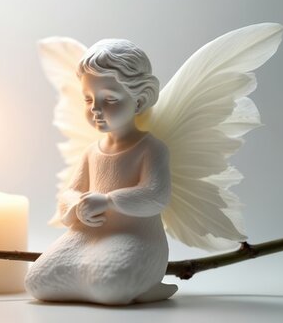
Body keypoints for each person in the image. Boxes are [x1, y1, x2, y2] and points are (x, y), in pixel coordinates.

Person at [24, 39, 178, 305]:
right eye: (88, 99)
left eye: (109, 99)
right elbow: (70, 192)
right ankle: (112, 281)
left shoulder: (151, 149)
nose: (95, 108)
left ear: (139, 101)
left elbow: (156, 195)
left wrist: (109, 201)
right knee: (36, 282)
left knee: (110, 285)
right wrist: (77, 206)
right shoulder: (91, 151)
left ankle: (147, 283)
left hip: (135, 238)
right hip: (86, 236)